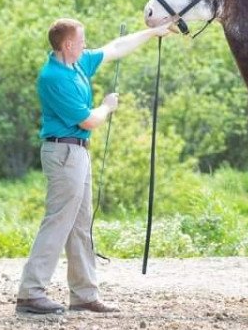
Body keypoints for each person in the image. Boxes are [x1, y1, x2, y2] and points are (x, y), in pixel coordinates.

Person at [16, 18, 173, 314]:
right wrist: (107, 106)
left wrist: (154, 32)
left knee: (80, 225)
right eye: (82, 39)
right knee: (58, 221)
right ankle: (30, 293)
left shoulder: (76, 64)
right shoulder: (54, 78)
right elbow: (89, 120)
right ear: (67, 44)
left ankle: (84, 294)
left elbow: (115, 48)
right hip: (63, 154)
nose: (86, 44)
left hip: (77, 153)